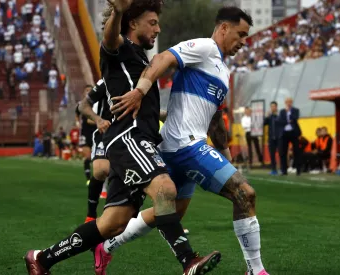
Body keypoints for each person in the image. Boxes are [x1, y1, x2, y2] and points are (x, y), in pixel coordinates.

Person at [24, 1, 218, 275]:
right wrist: (117, 11)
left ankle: (42, 259)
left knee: (113, 223)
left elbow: (150, 108)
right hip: (130, 137)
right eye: (152, 23)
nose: (157, 29)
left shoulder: (141, 59)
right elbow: (109, 39)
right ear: (133, 23)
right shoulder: (120, 50)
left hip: (134, 140)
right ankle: (189, 262)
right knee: (165, 189)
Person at [97, 7, 269, 275]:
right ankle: (256, 271)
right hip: (186, 145)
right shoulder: (204, 47)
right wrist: (140, 91)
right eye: (241, 34)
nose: (244, 42)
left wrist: (224, 151)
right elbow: (164, 58)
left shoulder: (222, 70)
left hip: (176, 147)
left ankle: (107, 246)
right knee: (245, 193)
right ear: (224, 28)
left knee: (168, 213)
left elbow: (215, 118)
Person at [77, 79, 112, 223]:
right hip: (103, 132)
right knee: (100, 170)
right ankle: (91, 214)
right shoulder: (104, 83)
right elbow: (82, 107)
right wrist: (98, 120)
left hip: (129, 133)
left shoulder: (137, 82)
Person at [76, 85, 98, 185]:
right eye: (87, 90)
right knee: (88, 156)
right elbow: (77, 113)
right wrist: (77, 122)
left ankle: (97, 178)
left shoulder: (97, 103)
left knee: (96, 157)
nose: (88, 92)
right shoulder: (81, 104)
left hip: (96, 132)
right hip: (85, 133)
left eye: (90, 90)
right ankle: (89, 179)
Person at [279, 97, 301, 175]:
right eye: (287, 102)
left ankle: (298, 169)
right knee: (283, 152)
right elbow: (280, 121)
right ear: (285, 103)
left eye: (290, 102)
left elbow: (295, 118)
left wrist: (289, 114)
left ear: (292, 102)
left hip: (294, 132)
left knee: (297, 151)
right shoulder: (282, 111)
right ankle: (284, 170)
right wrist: (288, 121)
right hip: (284, 133)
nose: (289, 103)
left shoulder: (295, 110)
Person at [264, 101, 282, 175]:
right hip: (271, 138)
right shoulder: (269, 116)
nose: (272, 108)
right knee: (272, 154)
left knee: (281, 154)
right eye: (271, 106)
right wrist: (267, 116)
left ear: (276, 107)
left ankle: (282, 169)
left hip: (279, 138)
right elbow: (264, 123)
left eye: (274, 106)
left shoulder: (280, 115)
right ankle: (274, 170)